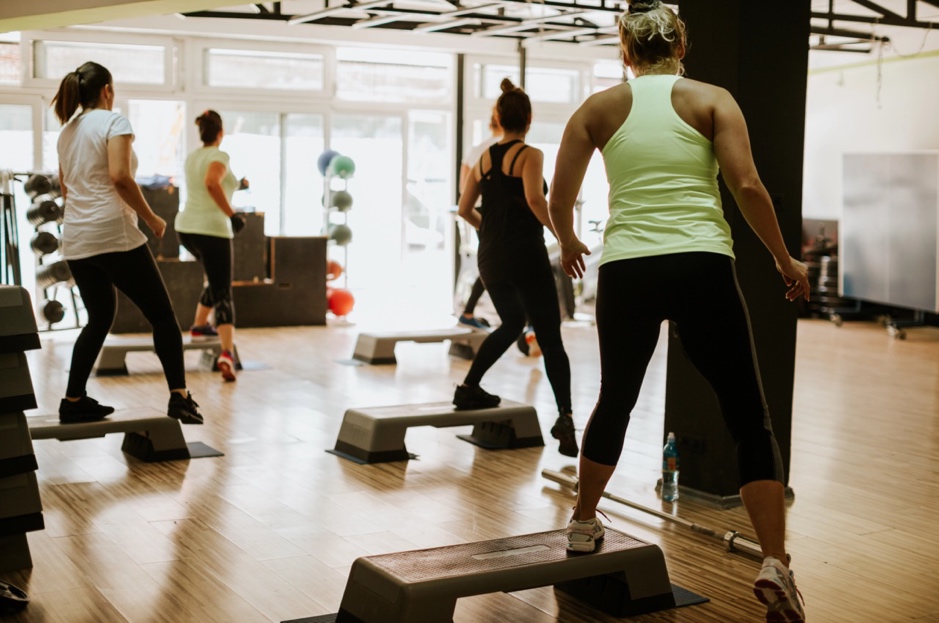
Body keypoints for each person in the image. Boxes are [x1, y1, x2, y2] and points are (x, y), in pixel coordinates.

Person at [547, 2, 810, 622]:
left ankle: (584, 523)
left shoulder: (598, 110)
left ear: (626, 53)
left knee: (616, 398)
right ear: (681, 48)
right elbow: (747, 186)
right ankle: (774, 561)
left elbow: (559, 194)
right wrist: (784, 260)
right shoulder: (712, 100)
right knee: (748, 414)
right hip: (701, 264)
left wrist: (566, 239)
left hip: (629, 268)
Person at [52, 61, 202, 425]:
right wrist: (151, 218)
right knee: (163, 317)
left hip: (76, 238)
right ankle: (179, 397)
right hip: (112, 233)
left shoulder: (67, 131)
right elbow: (120, 176)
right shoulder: (114, 122)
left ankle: (73, 399)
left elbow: (65, 188)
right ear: (107, 90)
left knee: (99, 317)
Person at [454, 78, 578, 458]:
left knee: (510, 323)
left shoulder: (484, 159)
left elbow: (463, 210)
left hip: (490, 257)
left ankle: (469, 388)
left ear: (498, 117)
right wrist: (566, 237)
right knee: (549, 335)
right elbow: (535, 200)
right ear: (528, 118)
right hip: (525, 255)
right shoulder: (530, 155)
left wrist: (490, 231)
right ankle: (565, 417)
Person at [175, 109, 247, 382]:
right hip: (212, 231)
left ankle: (199, 326)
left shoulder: (194, 156)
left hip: (186, 229)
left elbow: (216, 182)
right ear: (220, 133)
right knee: (223, 291)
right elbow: (211, 183)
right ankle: (226, 353)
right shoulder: (220, 155)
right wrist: (233, 216)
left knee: (215, 279)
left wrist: (239, 185)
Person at [456, 110, 502, 330]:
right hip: (495, 211)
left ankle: (468, 311)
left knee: (493, 262)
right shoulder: (506, 149)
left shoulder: (475, 151)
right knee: (495, 263)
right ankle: (468, 311)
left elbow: (463, 190)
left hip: (477, 210)